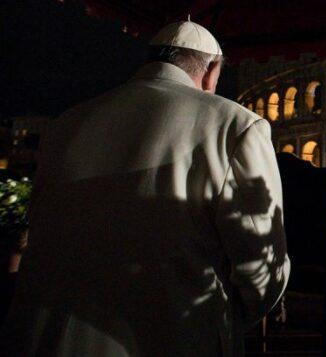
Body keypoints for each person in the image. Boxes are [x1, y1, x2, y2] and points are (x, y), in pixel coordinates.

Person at [0, 20, 289, 356]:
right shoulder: (237, 124)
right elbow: (261, 265)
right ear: (211, 71)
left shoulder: (66, 122)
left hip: (45, 336)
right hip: (167, 336)